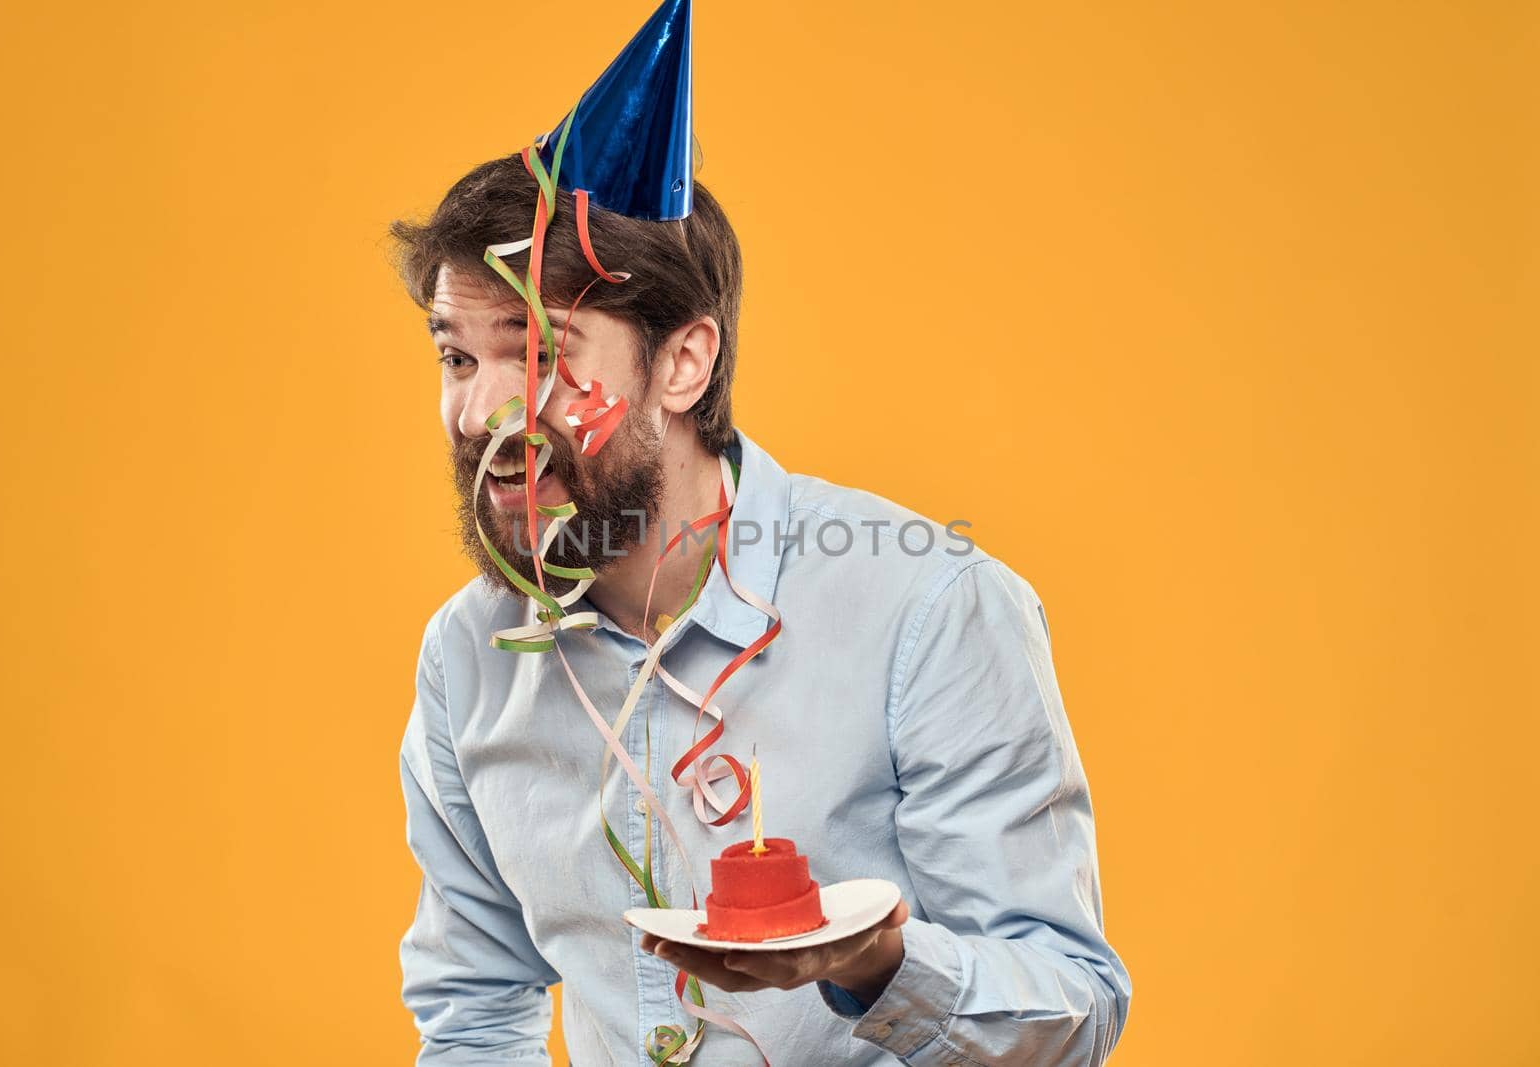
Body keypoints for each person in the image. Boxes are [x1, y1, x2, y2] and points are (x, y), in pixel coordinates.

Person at [391, 3, 1130, 1064]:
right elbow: (474, 1009)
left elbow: (1075, 1008)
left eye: (539, 352)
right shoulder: (468, 659)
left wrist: (876, 963)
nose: (481, 412)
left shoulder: (928, 606)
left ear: (683, 363)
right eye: (457, 359)